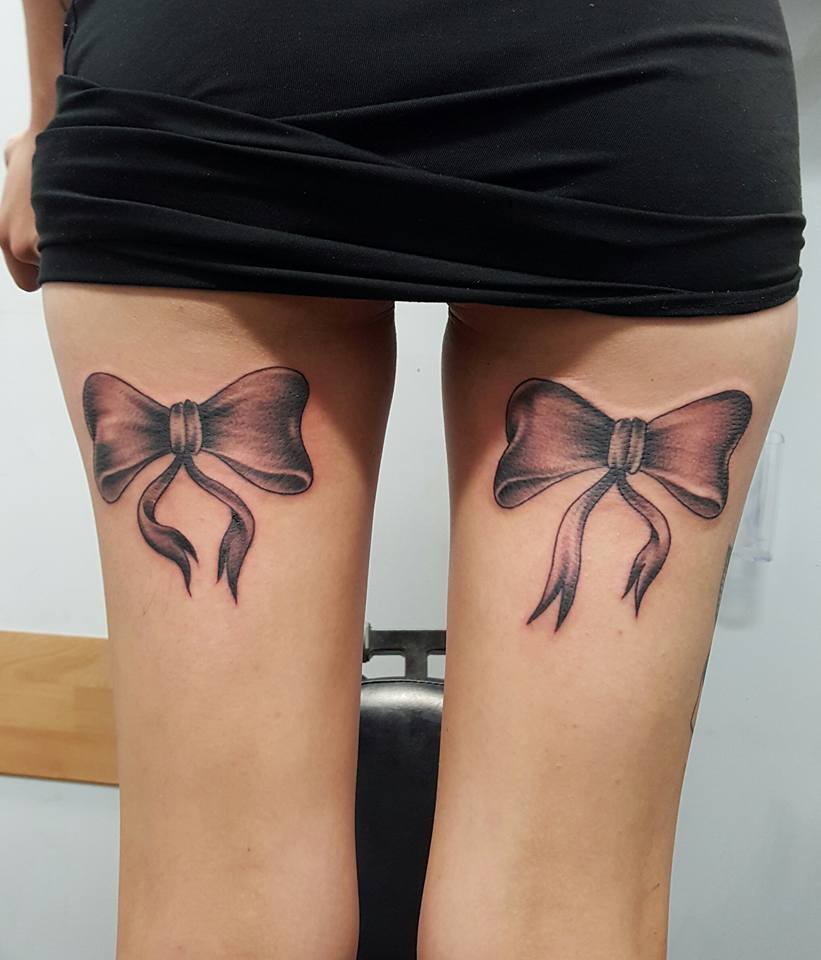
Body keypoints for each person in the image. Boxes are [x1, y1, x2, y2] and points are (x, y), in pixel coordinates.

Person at [0, 1, 805, 957]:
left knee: (221, 896)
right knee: (554, 906)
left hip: (204, 62)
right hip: (636, 74)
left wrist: (47, 111)